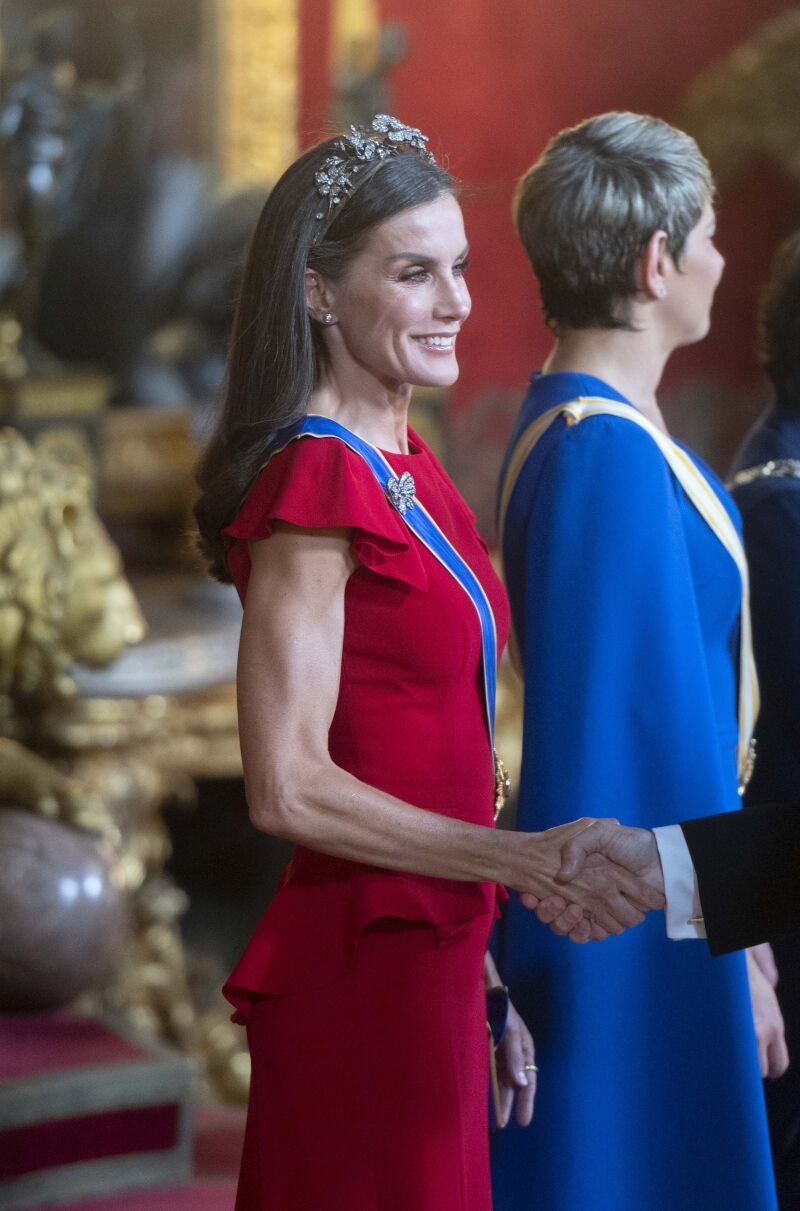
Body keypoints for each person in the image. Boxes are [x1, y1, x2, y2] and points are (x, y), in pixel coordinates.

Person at [193, 114, 656, 1211]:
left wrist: (484, 970)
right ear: (318, 293)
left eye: (457, 267)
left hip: (436, 957)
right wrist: (522, 862)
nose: (455, 302)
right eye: (413, 273)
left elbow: (423, 745)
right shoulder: (317, 483)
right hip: (363, 972)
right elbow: (287, 782)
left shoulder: (408, 464)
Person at [491, 111, 779, 1211]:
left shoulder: (590, 430)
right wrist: (717, 949)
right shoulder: (602, 451)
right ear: (654, 260)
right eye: (705, 234)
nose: (718, 258)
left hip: (659, 900)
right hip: (635, 938)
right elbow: (635, 741)